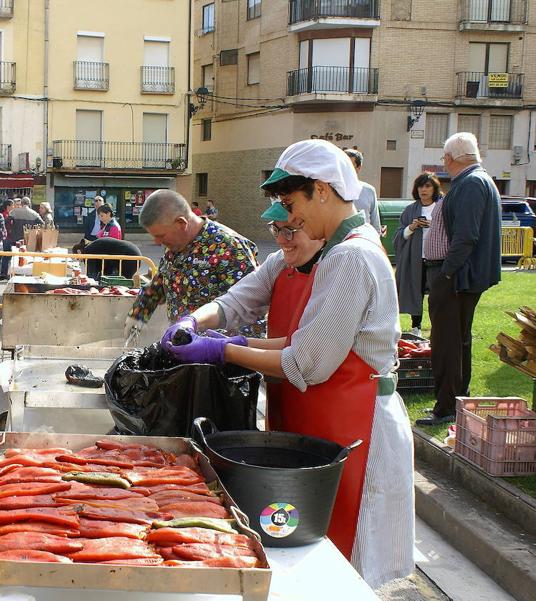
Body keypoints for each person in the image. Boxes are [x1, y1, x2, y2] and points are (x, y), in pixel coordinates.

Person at [162, 139, 413, 587]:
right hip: (310, 419)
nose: (289, 219)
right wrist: (197, 322)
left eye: (291, 204)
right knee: (304, 544)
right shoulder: (318, 253)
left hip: (354, 427)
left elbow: (308, 361)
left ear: (322, 190)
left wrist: (223, 349)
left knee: (339, 561)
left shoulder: (351, 258)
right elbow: (242, 302)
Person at [176, 202, 325, 430]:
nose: (281, 239)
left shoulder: (340, 267)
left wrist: (225, 348)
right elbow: (234, 301)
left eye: (289, 230)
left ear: (318, 227)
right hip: (284, 400)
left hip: (333, 410)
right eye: (275, 229)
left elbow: (305, 354)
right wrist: (193, 320)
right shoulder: (278, 263)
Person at [417, 133, 502, 427]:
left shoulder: (471, 183)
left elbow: (467, 236)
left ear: (451, 158)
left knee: (447, 342)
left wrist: (447, 271)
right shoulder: (477, 180)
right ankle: (456, 401)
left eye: (444, 158)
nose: (444, 163)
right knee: (457, 340)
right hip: (460, 277)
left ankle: (447, 407)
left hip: (457, 278)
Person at [123, 190, 257, 340]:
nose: (158, 243)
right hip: (182, 346)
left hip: (220, 352)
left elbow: (251, 307)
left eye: (161, 236)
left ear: (181, 223)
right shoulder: (175, 245)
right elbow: (159, 284)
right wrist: (138, 315)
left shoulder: (229, 246)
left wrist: (225, 349)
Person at [393, 172, 441, 337]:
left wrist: (432, 226)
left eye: (427, 186)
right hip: (416, 259)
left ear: (435, 189)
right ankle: (416, 328)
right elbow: (399, 237)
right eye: (420, 186)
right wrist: (412, 227)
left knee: (437, 296)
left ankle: (438, 327)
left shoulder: (442, 207)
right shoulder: (410, 210)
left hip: (437, 259)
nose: (423, 190)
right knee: (416, 292)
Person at [344, 148, 383, 235]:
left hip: (363, 240)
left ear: (358, 168)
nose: (345, 169)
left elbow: (375, 224)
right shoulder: (331, 189)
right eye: (343, 165)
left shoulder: (369, 190)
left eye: (349, 165)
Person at [78, 237, 143, 281]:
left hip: (129, 257)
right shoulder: (93, 247)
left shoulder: (88, 251)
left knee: (119, 283)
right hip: (134, 254)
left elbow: (91, 276)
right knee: (120, 281)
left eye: (77, 257)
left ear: (79, 252)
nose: (78, 260)